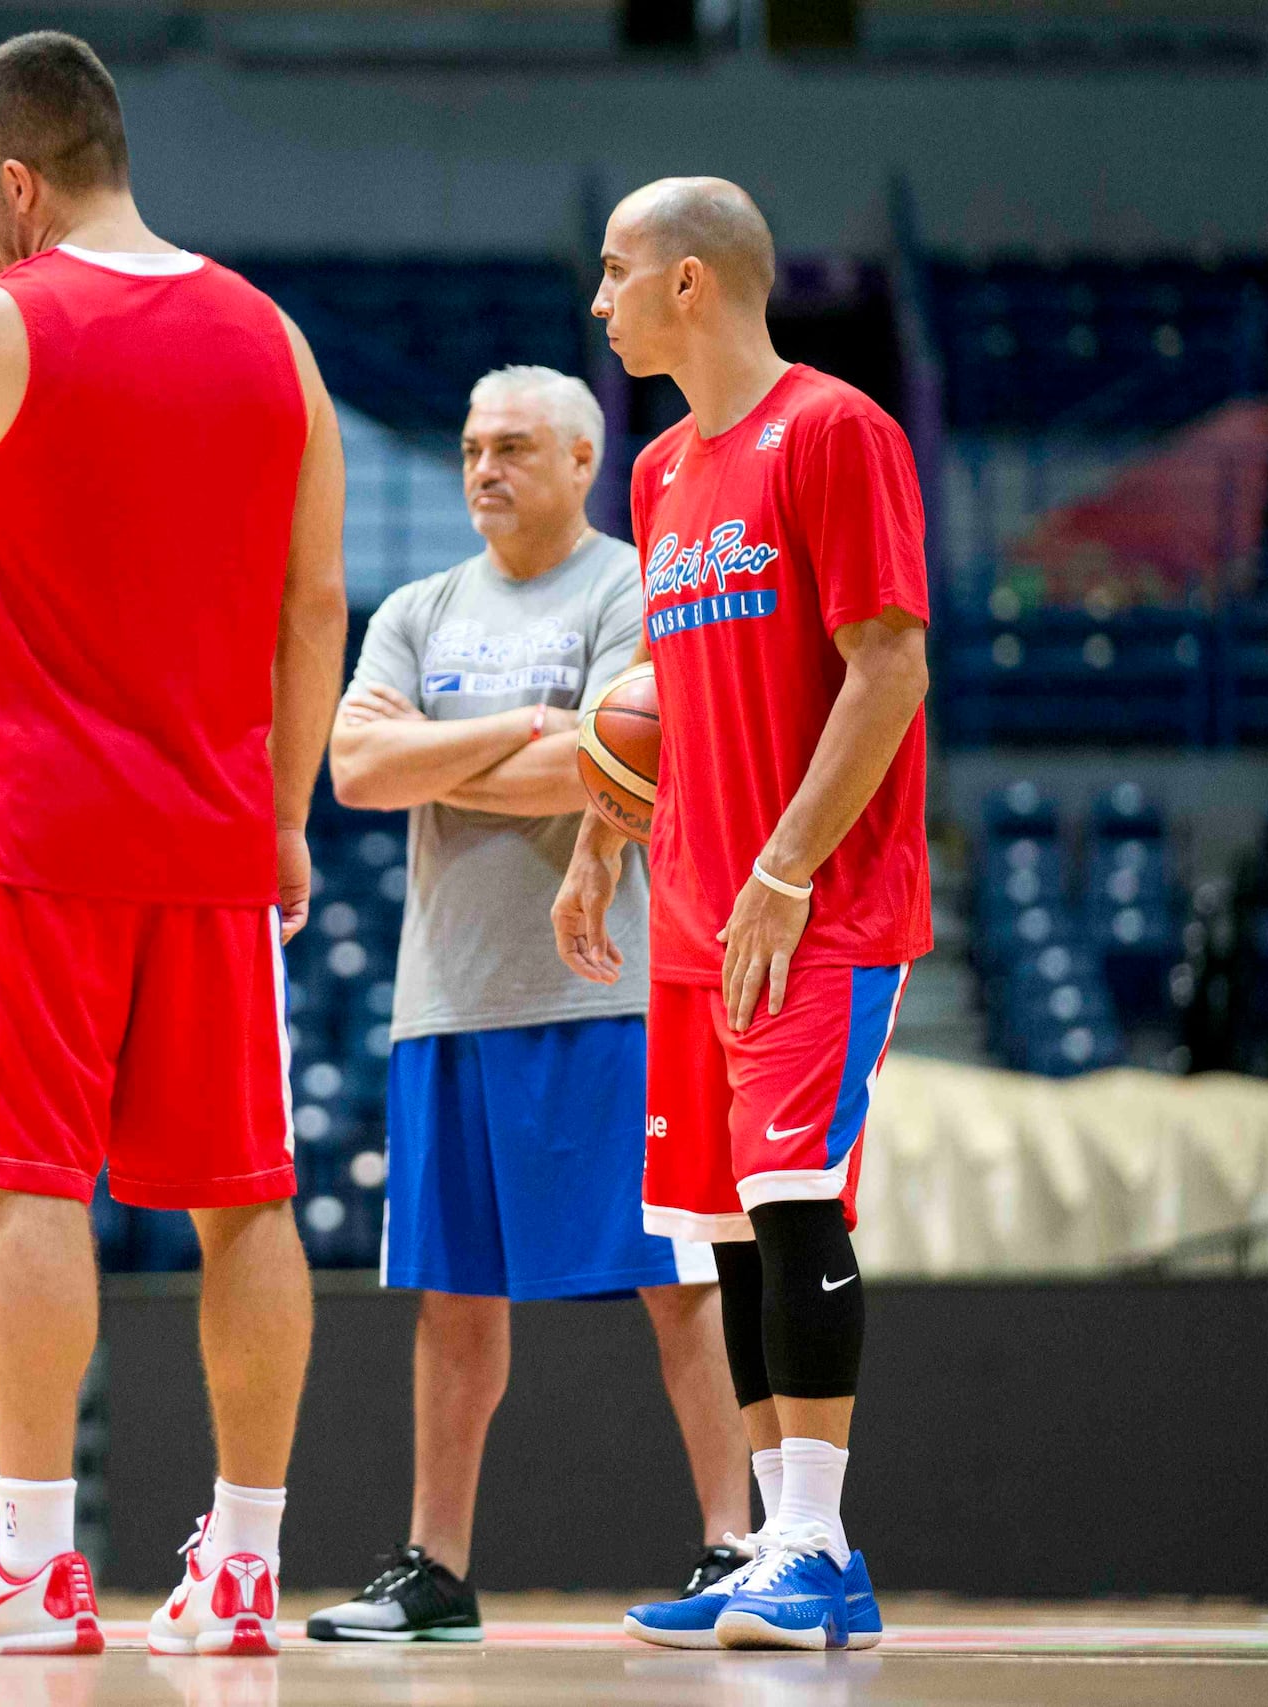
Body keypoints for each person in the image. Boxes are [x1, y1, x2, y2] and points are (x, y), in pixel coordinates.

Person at [0, 32, 348, 1659]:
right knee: (245, 1198)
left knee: (27, 1181)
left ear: (13, 179)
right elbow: (315, 599)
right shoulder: (275, 335)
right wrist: (284, 821)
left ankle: (41, 1561)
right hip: (216, 827)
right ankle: (247, 1567)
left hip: (42, 826)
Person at [305, 366, 752, 1644]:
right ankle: (434, 1570)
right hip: (446, 1000)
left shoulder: (630, 586)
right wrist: (523, 729)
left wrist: (463, 757)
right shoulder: (414, 608)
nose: (482, 469)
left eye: (510, 447)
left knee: (679, 1283)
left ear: (577, 459)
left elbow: (611, 763)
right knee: (452, 1300)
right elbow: (355, 768)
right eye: (467, 448)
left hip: (611, 993)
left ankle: (735, 1541)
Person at [557, 177, 929, 1653]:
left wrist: (784, 868)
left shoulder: (837, 432)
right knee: (717, 1226)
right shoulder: (655, 476)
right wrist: (601, 834)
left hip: (818, 900)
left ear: (693, 280)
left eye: (615, 272)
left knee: (791, 1206)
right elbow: (670, 704)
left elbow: (887, 667)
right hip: (694, 903)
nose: (601, 300)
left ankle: (824, 1547)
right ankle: (777, 1537)